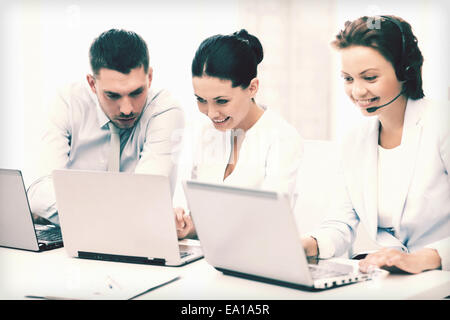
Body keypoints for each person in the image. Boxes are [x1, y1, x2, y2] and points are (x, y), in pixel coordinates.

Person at [302, 15, 449, 273]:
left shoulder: (442, 124)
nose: (357, 92)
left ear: (406, 71)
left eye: (369, 78)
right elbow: (341, 223)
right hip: (390, 279)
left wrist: (427, 258)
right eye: (348, 79)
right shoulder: (354, 140)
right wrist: (308, 244)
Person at [28, 29, 184, 225]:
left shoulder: (165, 110)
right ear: (92, 84)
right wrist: (127, 212)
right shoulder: (67, 103)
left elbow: (147, 198)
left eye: (136, 92)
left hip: (138, 244)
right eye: (113, 95)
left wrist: (66, 207)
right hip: (71, 242)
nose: (127, 109)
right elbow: (39, 191)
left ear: (150, 78)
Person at [175, 29, 304, 239]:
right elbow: (205, 218)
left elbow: (269, 223)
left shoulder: (282, 138)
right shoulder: (207, 133)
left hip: (261, 259)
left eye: (222, 101)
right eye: (201, 100)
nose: (211, 113)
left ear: (252, 88)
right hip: (215, 257)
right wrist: (188, 226)